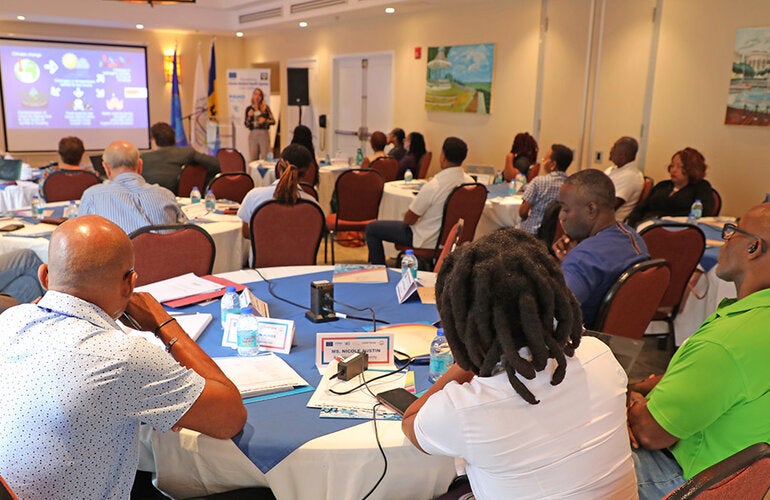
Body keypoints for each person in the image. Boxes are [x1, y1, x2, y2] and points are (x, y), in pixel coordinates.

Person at [0, 215, 246, 499]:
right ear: (130, 284)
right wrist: (162, 323)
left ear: (44, 276)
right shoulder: (123, 356)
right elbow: (230, 417)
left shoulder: (10, 320)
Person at [401, 229, 637, 499]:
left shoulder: (465, 409)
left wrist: (470, 359)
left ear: (464, 326)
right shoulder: (600, 354)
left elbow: (410, 421)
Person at [627, 203, 770, 500]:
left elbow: (649, 433)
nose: (725, 239)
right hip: (748, 482)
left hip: (689, 483)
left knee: (571, 454)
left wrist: (629, 401)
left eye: (731, 231)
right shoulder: (752, 325)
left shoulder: (728, 341)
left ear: (754, 247)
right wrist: (644, 387)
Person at [553, 168, 649, 328]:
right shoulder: (634, 238)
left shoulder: (583, 258)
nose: (561, 216)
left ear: (591, 209)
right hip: (618, 341)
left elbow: (553, 312)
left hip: (581, 341)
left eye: (565, 209)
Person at [365, 136, 473, 265]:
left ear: (442, 156)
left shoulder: (435, 185)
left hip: (426, 238)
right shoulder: (471, 184)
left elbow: (409, 219)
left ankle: (379, 273)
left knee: (372, 228)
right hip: (454, 240)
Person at [80, 140, 187, 235]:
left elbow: (81, 236)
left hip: (119, 257)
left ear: (106, 168)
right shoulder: (165, 194)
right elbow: (187, 231)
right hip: (164, 256)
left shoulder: (92, 196)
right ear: (140, 165)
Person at [237, 143, 319, 239]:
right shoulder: (312, 204)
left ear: (279, 166)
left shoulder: (254, 196)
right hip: (299, 253)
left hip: (263, 253)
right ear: (307, 172)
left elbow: (246, 233)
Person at [627, 147, 715, 227]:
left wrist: (664, 218)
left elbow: (702, 213)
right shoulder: (662, 185)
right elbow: (640, 208)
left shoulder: (701, 187)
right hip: (646, 226)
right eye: (672, 165)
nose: (673, 170)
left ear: (692, 168)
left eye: (679, 166)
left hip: (677, 229)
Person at [141, 122, 220, 193]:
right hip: (183, 199)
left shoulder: (143, 159)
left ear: (153, 140)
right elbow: (215, 164)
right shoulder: (187, 153)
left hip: (150, 200)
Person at [518, 143, 573, 234]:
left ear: (553, 164)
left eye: (545, 159)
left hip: (531, 233)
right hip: (556, 234)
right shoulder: (571, 185)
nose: (543, 161)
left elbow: (522, 212)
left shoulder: (538, 182)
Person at [605, 136, 643, 222]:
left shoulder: (631, 176)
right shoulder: (612, 169)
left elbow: (611, 205)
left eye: (614, 147)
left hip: (612, 223)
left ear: (623, 155)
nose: (611, 150)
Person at [245, 88, 276, 162]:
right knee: (253, 158)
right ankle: (253, 173)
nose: (257, 97)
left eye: (259, 95)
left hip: (264, 134)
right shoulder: (249, 109)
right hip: (253, 134)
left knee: (265, 157)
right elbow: (246, 124)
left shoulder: (265, 108)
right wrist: (249, 116)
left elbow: (273, 121)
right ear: (253, 96)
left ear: (261, 97)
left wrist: (265, 121)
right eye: (255, 94)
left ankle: (265, 172)